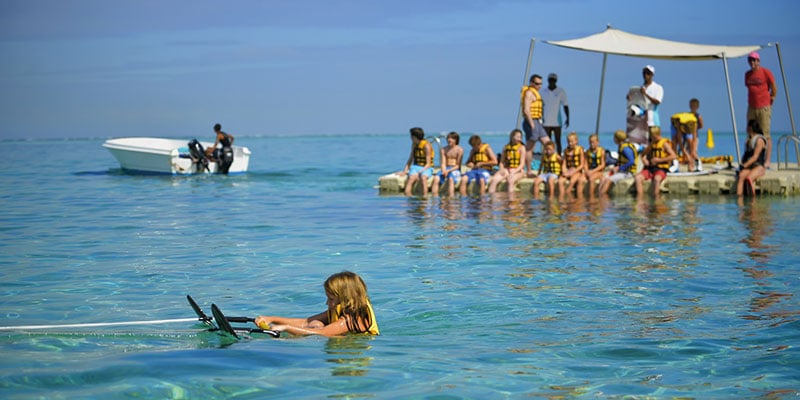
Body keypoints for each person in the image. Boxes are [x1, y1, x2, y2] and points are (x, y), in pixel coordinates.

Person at [254, 271, 379, 337]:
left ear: (345, 299)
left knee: (309, 333)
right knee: (315, 324)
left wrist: (286, 328)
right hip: (338, 341)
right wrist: (271, 319)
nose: (327, 303)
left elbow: (323, 333)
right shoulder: (342, 307)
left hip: (351, 350)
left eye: (331, 299)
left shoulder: (352, 319)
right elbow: (306, 322)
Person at [745, 51, 777, 169]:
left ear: (758, 61)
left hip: (764, 107)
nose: (752, 62)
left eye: (754, 60)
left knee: (765, 134)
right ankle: (752, 158)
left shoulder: (766, 72)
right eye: (750, 60)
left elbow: (774, 88)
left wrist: (770, 100)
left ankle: (767, 161)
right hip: (751, 107)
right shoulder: (747, 75)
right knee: (750, 133)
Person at [521, 74, 553, 174]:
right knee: (530, 147)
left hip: (538, 122)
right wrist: (532, 125)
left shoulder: (536, 93)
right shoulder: (529, 93)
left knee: (548, 144)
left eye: (541, 84)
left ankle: (552, 167)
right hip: (532, 122)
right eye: (537, 83)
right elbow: (526, 110)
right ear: (531, 83)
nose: (539, 86)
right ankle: (529, 171)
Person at [634, 126, 676, 197]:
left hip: (661, 169)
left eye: (654, 135)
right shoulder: (652, 144)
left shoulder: (664, 144)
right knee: (637, 178)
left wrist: (659, 160)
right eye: (652, 136)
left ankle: (656, 199)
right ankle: (640, 198)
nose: (653, 137)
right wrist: (645, 160)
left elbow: (673, 156)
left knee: (656, 179)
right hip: (650, 169)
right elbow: (643, 154)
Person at [629, 65, 664, 140]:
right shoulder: (640, 88)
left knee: (655, 142)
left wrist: (645, 94)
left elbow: (657, 102)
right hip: (642, 121)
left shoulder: (658, 87)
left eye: (648, 73)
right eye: (644, 73)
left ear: (652, 75)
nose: (645, 75)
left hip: (653, 121)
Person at [599, 130, 639, 195]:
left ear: (617, 139)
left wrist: (619, 168)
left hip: (628, 172)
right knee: (603, 178)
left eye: (614, 138)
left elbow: (631, 161)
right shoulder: (622, 146)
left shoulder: (625, 149)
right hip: (621, 171)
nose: (613, 139)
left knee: (608, 180)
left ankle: (602, 196)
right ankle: (599, 195)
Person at [398, 127, 434, 196]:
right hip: (416, 166)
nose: (410, 137)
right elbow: (410, 159)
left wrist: (419, 173)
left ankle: (425, 198)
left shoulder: (426, 145)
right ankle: (408, 198)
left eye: (411, 136)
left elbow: (428, 164)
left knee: (423, 178)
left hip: (426, 168)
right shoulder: (414, 145)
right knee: (411, 178)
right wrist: (405, 171)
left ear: (414, 137)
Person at [488, 129, 526, 194]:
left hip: (518, 170)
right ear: (512, 137)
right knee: (494, 180)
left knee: (510, 181)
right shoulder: (505, 147)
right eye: (517, 137)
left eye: (520, 137)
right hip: (507, 169)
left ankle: (511, 202)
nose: (519, 139)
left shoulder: (522, 148)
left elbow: (522, 164)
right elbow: (501, 162)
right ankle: (492, 201)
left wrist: (514, 172)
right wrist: (501, 169)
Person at [737, 120, 768, 196]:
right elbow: (746, 155)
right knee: (741, 176)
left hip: (759, 167)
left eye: (747, 126)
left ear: (750, 128)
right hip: (750, 167)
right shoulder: (749, 140)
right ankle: (739, 202)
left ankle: (752, 204)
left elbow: (755, 157)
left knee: (749, 178)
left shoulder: (759, 140)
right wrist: (742, 166)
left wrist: (744, 165)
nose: (745, 128)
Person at [541, 73, 570, 154]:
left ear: (556, 81)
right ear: (548, 80)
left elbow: (565, 105)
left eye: (553, 80)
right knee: (547, 142)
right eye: (550, 80)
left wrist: (568, 118)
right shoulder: (543, 92)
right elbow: (540, 105)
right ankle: (547, 157)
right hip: (546, 121)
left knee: (558, 141)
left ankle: (559, 156)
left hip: (557, 121)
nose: (552, 82)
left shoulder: (561, 91)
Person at [431, 132, 464, 197]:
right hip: (446, 168)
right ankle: (434, 198)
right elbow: (443, 163)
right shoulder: (444, 149)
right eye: (448, 138)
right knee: (436, 178)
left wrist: (448, 171)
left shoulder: (460, 150)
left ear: (456, 140)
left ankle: (450, 198)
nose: (449, 140)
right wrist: (444, 170)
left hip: (454, 169)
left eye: (451, 138)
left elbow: (458, 166)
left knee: (450, 179)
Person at [558, 131, 586, 196]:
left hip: (577, 171)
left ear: (576, 141)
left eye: (572, 141)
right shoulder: (566, 151)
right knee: (560, 181)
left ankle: (568, 195)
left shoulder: (580, 149)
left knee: (572, 181)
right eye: (568, 142)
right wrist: (564, 172)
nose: (570, 143)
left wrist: (573, 172)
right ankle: (561, 197)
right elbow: (564, 164)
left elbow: (582, 165)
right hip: (568, 170)